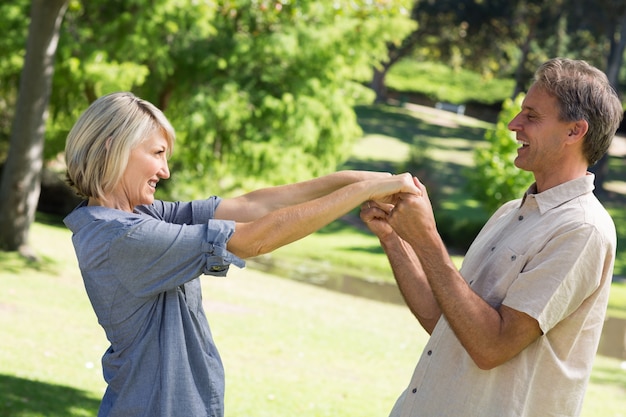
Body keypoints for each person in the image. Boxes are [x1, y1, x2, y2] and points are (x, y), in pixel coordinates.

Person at [63, 91, 420, 417]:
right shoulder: (122, 238)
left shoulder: (141, 216)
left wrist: (357, 179)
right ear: (114, 148)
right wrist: (363, 192)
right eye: (157, 153)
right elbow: (254, 239)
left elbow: (255, 204)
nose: (165, 171)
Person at [361, 57, 623, 417]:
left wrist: (426, 239)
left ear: (574, 132)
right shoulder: (509, 213)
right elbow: (448, 323)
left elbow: (491, 347)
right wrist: (395, 239)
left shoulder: (582, 230)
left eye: (531, 116)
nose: (514, 125)